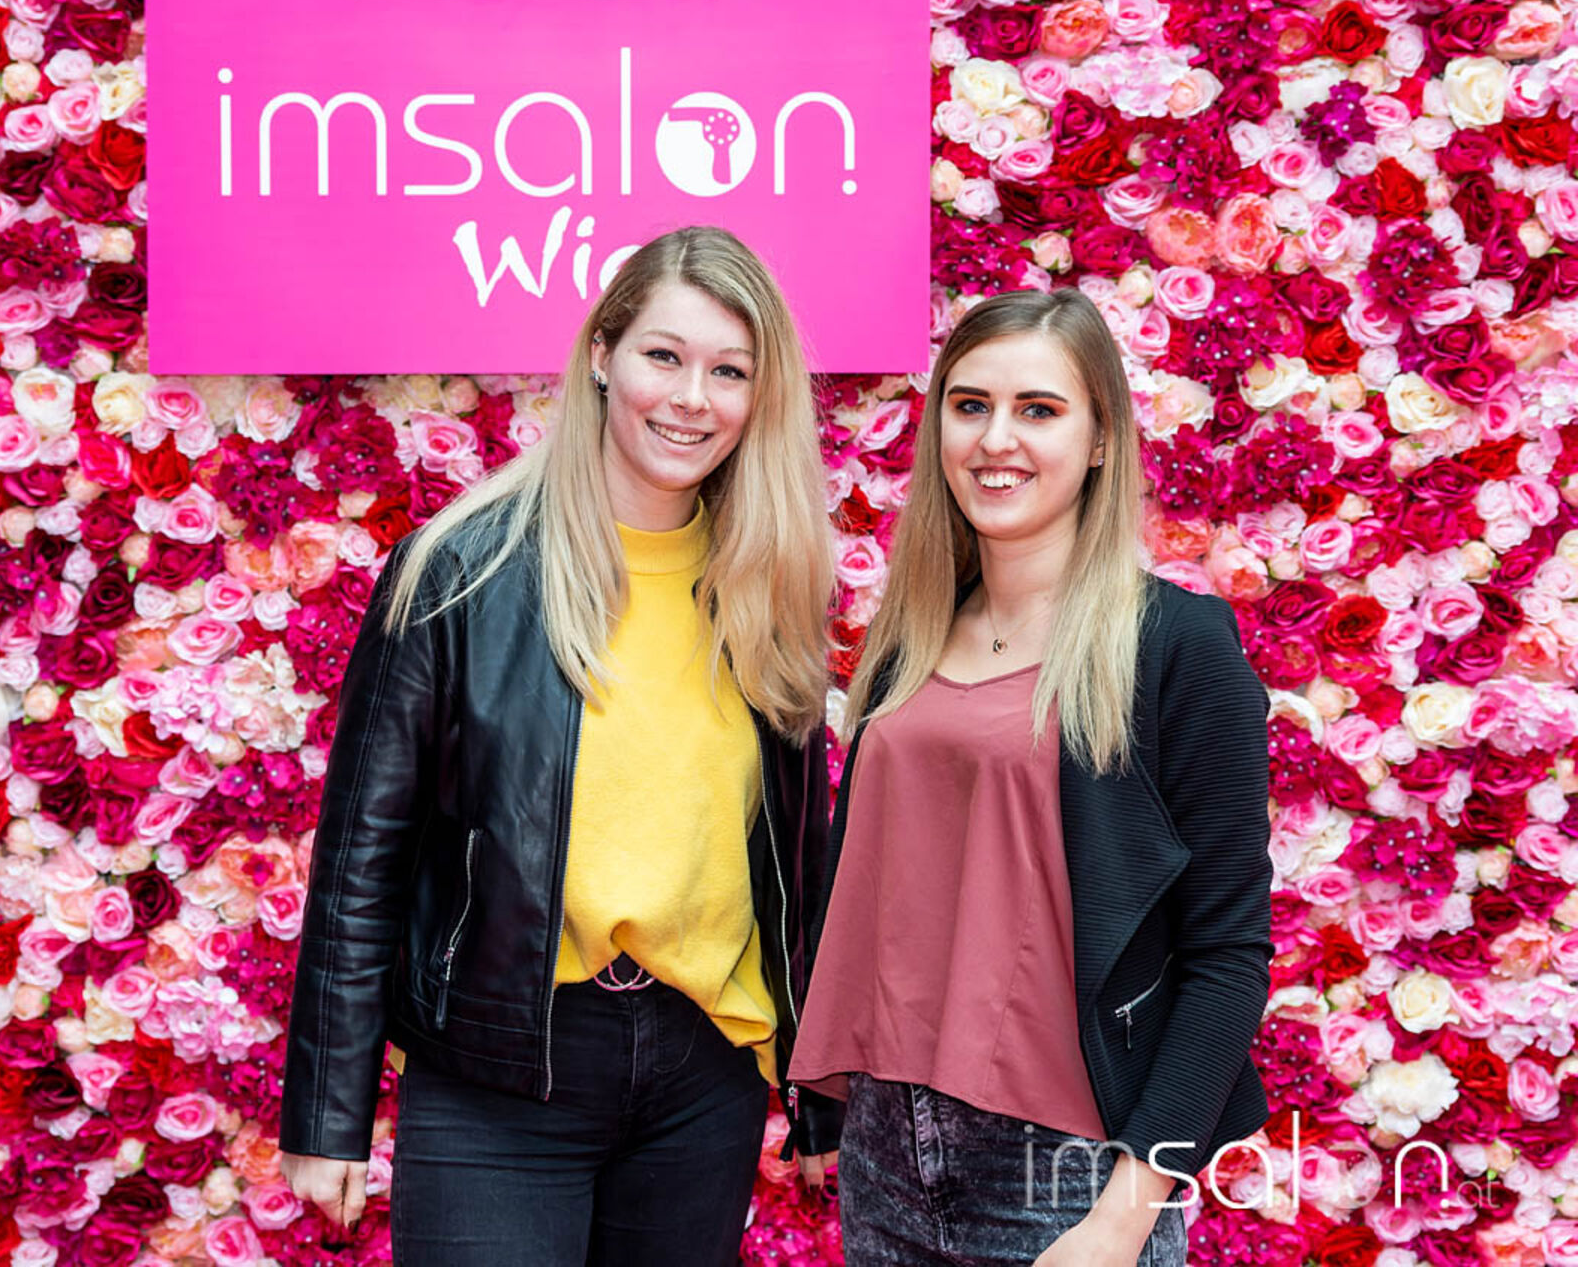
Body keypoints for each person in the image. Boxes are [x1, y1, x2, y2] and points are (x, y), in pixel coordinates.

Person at [278, 225, 839, 1266]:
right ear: (602, 354)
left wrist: (820, 1095)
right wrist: (327, 1112)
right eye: (664, 355)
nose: (692, 398)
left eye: (729, 371)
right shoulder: (458, 570)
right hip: (498, 1074)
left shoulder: (771, 583)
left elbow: (800, 864)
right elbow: (362, 858)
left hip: (704, 1077)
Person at [789, 289, 1273, 1265]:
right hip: (886, 1146)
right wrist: (826, 1111)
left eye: (1038, 409)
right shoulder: (906, 640)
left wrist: (1122, 1219)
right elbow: (873, 888)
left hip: (1071, 1173)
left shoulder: (1176, 647)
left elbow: (1227, 956)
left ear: (1101, 440)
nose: (995, 438)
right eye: (969, 405)